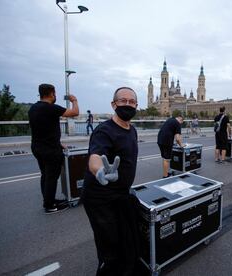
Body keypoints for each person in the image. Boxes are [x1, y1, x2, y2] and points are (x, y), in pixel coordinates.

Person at [82, 87, 141, 275]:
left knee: (125, 240)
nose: (127, 104)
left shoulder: (132, 129)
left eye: (132, 102)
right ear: (113, 104)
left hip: (120, 195)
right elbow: (95, 156)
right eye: (123, 101)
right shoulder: (104, 131)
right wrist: (99, 170)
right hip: (100, 199)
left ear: (137, 106)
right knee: (110, 246)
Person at [28, 83, 79, 214]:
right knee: (51, 177)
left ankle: (48, 199)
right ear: (51, 93)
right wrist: (74, 100)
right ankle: (50, 205)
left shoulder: (33, 108)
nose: (55, 95)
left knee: (45, 175)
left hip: (37, 147)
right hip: (50, 150)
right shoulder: (50, 108)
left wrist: (59, 143)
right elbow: (75, 112)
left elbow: (43, 130)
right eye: (55, 93)